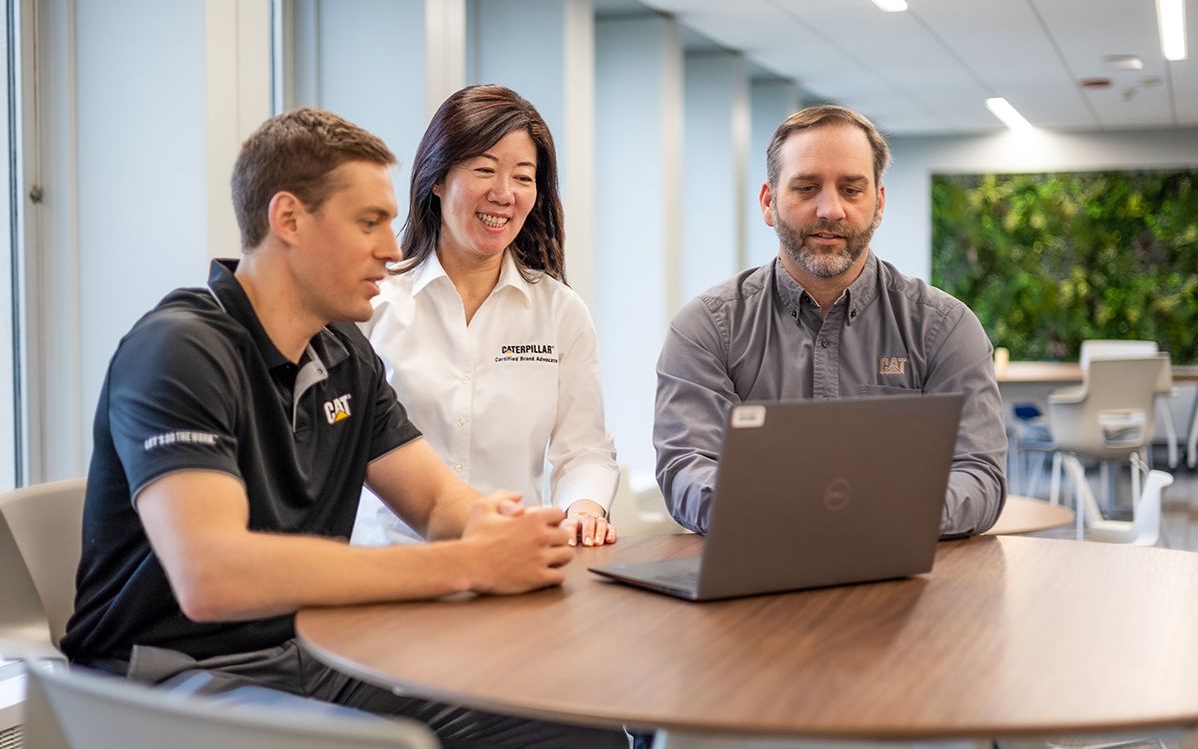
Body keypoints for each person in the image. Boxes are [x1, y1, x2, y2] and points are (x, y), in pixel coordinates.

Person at [60, 108, 626, 748]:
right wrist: (467, 564)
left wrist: (510, 531)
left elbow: (436, 502)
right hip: (172, 678)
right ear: (288, 219)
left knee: (581, 735)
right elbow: (212, 577)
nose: (393, 249)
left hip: (307, 651)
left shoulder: (344, 355)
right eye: (368, 223)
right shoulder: (179, 350)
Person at [653, 105, 1006, 537]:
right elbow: (687, 468)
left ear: (879, 203)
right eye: (806, 188)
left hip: (904, 569)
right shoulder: (707, 329)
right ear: (768, 202)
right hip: (757, 567)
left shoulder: (944, 328)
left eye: (851, 190)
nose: (830, 210)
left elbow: (979, 473)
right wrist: (800, 514)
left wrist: (873, 515)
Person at [353, 85, 619, 548]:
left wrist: (582, 511)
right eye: (484, 170)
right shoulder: (372, 302)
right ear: (437, 178)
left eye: (523, 177)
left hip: (512, 562)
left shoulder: (559, 311)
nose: (504, 194)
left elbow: (584, 450)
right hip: (391, 567)